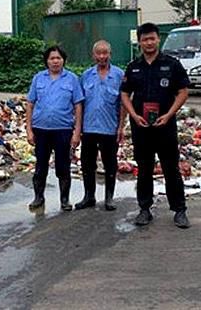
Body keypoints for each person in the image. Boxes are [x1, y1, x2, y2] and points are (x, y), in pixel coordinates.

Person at [120, 23, 191, 228]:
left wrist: (169, 114)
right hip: (141, 127)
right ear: (139, 41)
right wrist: (133, 115)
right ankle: (144, 209)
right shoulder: (133, 67)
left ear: (158, 39)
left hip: (165, 126)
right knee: (144, 168)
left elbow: (183, 91)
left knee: (171, 168)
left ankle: (179, 210)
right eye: (145, 39)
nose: (149, 43)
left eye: (152, 38)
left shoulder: (172, 64)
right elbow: (125, 93)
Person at [26, 45, 84, 211]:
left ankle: (64, 199)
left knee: (63, 166)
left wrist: (77, 132)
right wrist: (29, 130)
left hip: (63, 130)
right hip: (41, 130)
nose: (55, 61)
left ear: (63, 60)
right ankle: (38, 197)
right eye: (52, 58)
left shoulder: (71, 79)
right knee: (41, 166)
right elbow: (30, 103)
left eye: (58, 58)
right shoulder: (38, 78)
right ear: (47, 61)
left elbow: (78, 105)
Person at [75, 40, 125, 211]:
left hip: (109, 128)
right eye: (99, 53)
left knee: (110, 163)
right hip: (88, 128)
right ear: (93, 55)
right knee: (87, 164)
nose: (102, 57)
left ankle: (109, 198)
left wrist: (121, 127)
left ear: (110, 54)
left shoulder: (119, 75)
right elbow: (79, 104)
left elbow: (123, 104)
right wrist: (78, 128)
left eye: (105, 53)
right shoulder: (86, 75)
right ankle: (89, 196)